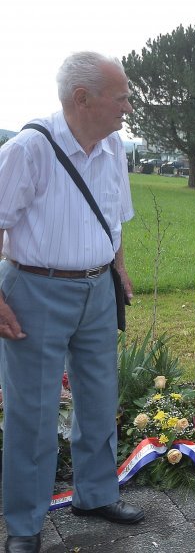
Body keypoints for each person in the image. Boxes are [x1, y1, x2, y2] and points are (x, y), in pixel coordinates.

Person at [0, 52, 144, 553]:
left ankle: (96, 494)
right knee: (32, 412)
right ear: (83, 99)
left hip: (98, 289)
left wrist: (118, 270)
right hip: (35, 291)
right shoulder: (29, 149)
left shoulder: (113, 148)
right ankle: (24, 524)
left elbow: (115, 217)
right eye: (122, 96)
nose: (129, 105)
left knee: (100, 398)